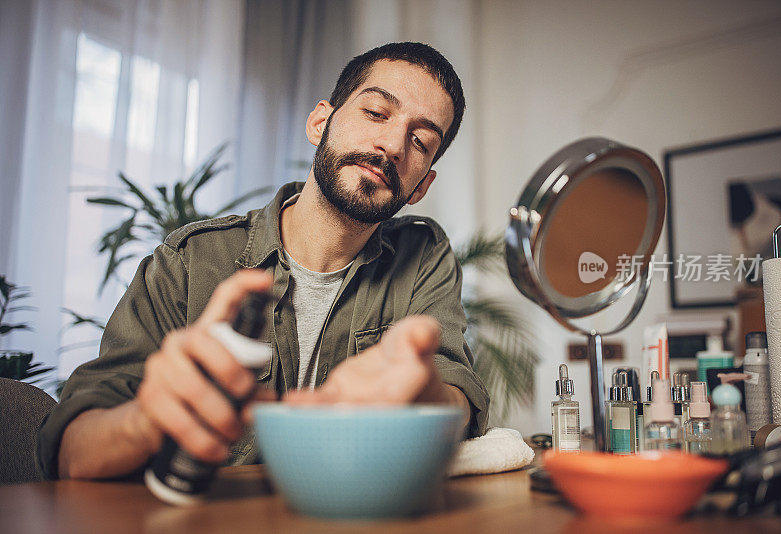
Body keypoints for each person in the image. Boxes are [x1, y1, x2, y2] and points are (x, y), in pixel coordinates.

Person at [37, 42, 489, 480]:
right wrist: (146, 420)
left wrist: (424, 397)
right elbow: (70, 452)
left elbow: (459, 397)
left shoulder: (425, 255)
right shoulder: (190, 260)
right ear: (319, 122)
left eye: (420, 140)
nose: (393, 144)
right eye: (375, 113)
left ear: (421, 187)